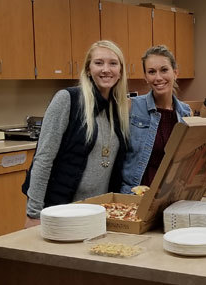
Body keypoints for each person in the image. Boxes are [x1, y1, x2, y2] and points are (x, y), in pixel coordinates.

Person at [23, 40, 130, 228]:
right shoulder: (68, 99)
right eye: (98, 63)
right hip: (59, 210)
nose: (106, 69)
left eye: (113, 63)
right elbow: (43, 159)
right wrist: (34, 213)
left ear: (120, 71)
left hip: (96, 213)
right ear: (88, 69)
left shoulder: (119, 109)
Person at [121, 45, 191, 194]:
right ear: (146, 77)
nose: (158, 77)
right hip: (136, 197)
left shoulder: (185, 113)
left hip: (171, 197)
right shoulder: (131, 107)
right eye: (152, 72)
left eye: (164, 70)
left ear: (175, 73)